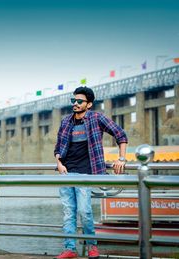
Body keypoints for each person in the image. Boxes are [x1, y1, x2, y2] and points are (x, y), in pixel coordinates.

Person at [53, 86, 128, 259]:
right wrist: (58, 163)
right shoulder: (66, 121)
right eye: (74, 100)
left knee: (85, 212)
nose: (76, 104)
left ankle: (92, 246)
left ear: (89, 104)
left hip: (85, 173)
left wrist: (121, 159)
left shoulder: (97, 118)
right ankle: (70, 249)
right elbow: (58, 147)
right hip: (66, 172)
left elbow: (120, 135)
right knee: (68, 213)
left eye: (80, 101)